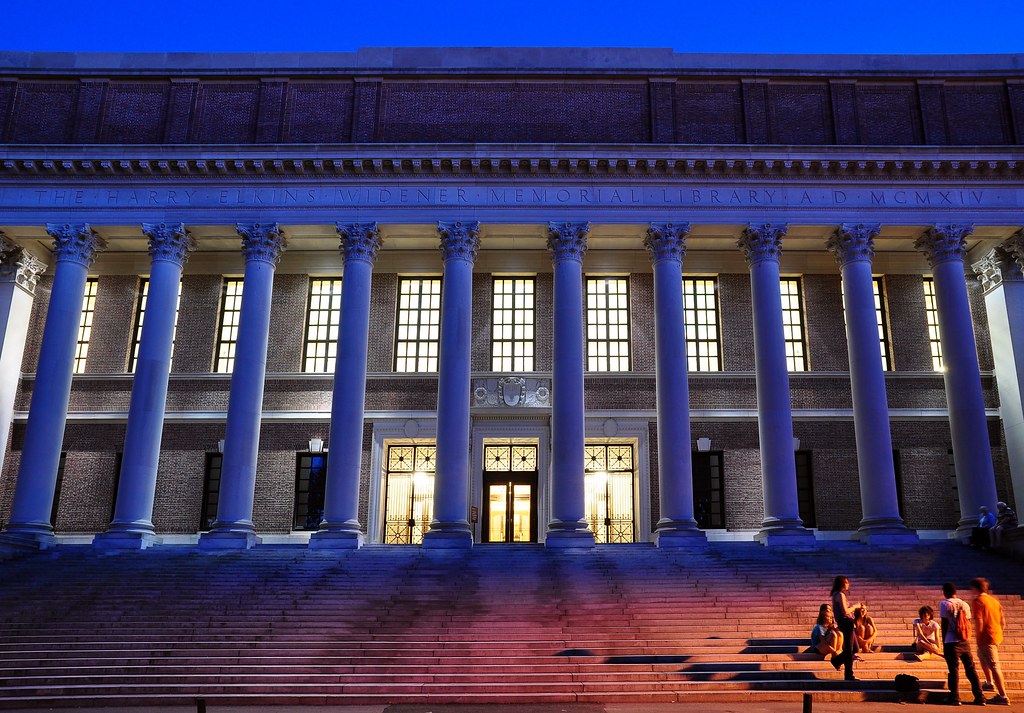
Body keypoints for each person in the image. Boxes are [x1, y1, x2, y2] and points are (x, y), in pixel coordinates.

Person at [940, 581, 985, 706]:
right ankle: (980, 696)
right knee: (971, 669)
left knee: (953, 670)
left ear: (945, 592)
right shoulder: (964, 604)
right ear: (955, 592)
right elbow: (967, 623)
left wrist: (943, 642)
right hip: (965, 641)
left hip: (951, 642)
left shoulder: (945, 604)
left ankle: (954, 697)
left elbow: (944, 624)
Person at [970, 577, 1010, 705]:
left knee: (994, 665)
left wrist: (978, 637)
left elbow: (979, 622)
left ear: (975, 588)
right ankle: (989, 682)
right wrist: (998, 632)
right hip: (996, 635)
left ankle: (1003, 696)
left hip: (986, 637)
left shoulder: (978, 601)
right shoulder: (994, 601)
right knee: (981, 656)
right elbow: (1003, 622)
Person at [830, 575, 859, 681]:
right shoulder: (839, 595)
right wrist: (856, 606)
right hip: (846, 622)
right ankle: (849, 674)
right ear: (841, 584)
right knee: (849, 649)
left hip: (847, 622)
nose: (848, 584)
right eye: (846, 582)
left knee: (855, 648)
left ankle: (837, 661)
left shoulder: (837, 594)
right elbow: (845, 611)